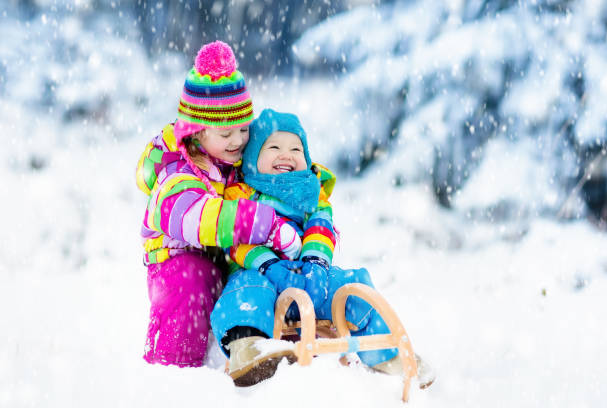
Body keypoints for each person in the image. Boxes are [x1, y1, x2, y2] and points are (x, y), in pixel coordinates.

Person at [210, 109, 434, 388]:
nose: (286, 154)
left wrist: (315, 264)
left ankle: (387, 355)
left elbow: (321, 229)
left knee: (352, 284)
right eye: (274, 147)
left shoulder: (313, 195)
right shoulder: (240, 194)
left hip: (309, 275)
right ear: (253, 158)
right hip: (259, 271)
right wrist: (269, 264)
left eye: (295, 148)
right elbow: (238, 241)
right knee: (246, 290)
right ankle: (248, 346)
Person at [135, 43, 301, 368]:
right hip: (176, 260)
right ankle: (172, 366)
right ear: (196, 132)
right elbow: (193, 217)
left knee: (255, 277)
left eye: (243, 128)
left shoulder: (232, 159)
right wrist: (256, 222)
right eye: (226, 132)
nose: (238, 139)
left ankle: (266, 344)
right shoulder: (177, 169)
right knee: (192, 282)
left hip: (221, 256)